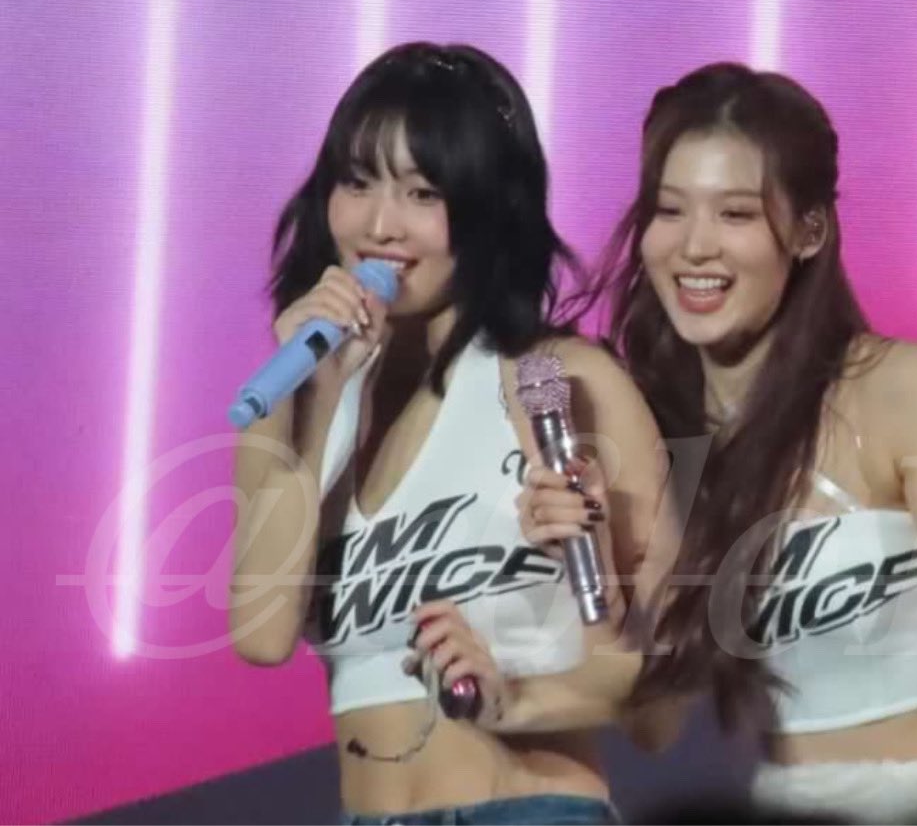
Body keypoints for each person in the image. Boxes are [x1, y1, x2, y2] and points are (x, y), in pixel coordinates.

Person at [593, 62, 917, 823]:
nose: (694, 246)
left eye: (736, 214)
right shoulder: (650, 433)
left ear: (808, 231)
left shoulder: (896, 384)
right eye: (669, 210)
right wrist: (600, 555)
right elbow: (654, 726)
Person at [229, 42, 667, 826]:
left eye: (421, 193)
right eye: (356, 182)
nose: (378, 225)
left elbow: (662, 663)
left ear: (487, 208)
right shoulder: (297, 396)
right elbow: (261, 635)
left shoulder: (556, 380)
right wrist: (319, 400)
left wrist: (513, 696)